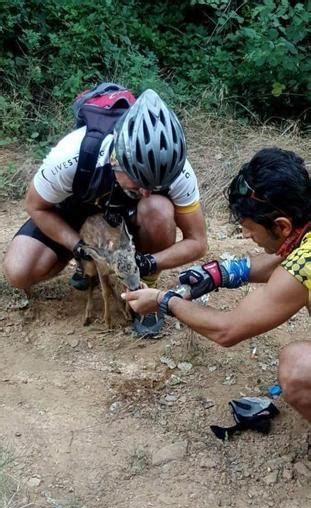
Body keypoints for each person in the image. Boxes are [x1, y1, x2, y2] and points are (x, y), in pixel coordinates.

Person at [122, 147, 311, 421]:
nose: (245, 235)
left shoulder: (305, 262)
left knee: (297, 368)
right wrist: (219, 273)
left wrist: (164, 300)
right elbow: (286, 260)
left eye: (249, 227)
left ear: (282, 226)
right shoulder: (303, 233)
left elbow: (228, 330)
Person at [4, 89, 207, 336]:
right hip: (76, 209)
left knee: (159, 208)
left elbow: (197, 242)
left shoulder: (177, 169)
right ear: (114, 160)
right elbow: (35, 206)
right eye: (138, 182)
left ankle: (145, 292)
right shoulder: (73, 154)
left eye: (156, 185)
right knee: (18, 272)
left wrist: (146, 264)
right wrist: (78, 246)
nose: (146, 191)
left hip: (128, 215)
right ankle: (82, 262)